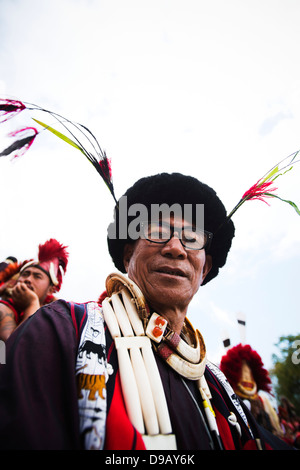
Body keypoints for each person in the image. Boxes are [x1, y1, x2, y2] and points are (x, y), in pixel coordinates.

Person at [0, 173, 292, 450]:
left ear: (204, 269)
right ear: (128, 255)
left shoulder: (219, 390)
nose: (176, 248)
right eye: (158, 232)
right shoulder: (61, 331)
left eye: (191, 239)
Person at [0, 238, 68, 341]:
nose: (28, 279)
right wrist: (31, 304)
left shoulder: (57, 317)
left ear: (50, 290)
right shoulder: (3, 308)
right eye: (25, 274)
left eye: (37, 276)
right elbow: (15, 349)